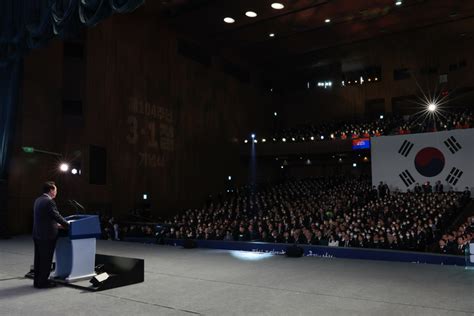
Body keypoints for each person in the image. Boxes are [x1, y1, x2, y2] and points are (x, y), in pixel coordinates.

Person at [32, 181, 69, 288]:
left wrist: (55, 224)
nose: (56, 192)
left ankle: (37, 281)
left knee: (38, 259)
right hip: (47, 235)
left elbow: (45, 217)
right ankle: (43, 282)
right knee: (46, 260)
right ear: (51, 190)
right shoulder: (49, 202)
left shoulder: (38, 200)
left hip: (37, 234)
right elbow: (56, 216)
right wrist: (68, 225)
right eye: (56, 190)